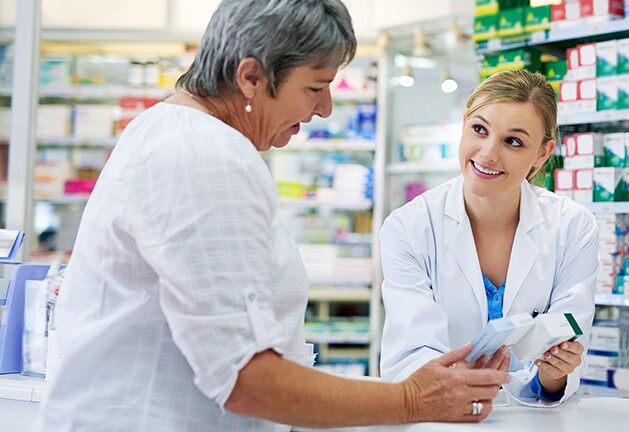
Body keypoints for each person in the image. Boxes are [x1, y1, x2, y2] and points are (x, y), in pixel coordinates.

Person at [32, 1, 509, 431]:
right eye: (315, 87)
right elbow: (245, 378)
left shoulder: (175, 131)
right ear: (251, 78)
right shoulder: (203, 155)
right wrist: (411, 399)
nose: (324, 108)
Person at [379, 69, 599, 407]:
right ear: (464, 124)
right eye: (479, 130)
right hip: (439, 419)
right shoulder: (409, 227)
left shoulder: (572, 228)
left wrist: (554, 372)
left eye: (513, 141)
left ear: (541, 154)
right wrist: (461, 382)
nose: (487, 154)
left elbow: (560, 362)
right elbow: (411, 352)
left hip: (532, 424)